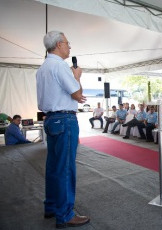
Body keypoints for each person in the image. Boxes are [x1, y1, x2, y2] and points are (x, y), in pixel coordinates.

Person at [36, 31, 90, 228]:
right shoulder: (60, 66)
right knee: (65, 169)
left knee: (53, 167)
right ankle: (65, 214)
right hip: (64, 119)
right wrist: (77, 76)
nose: (69, 47)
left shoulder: (43, 67)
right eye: (67, 43)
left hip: (50, 119)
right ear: (59, 44)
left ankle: (51, 206)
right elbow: (77, 94)